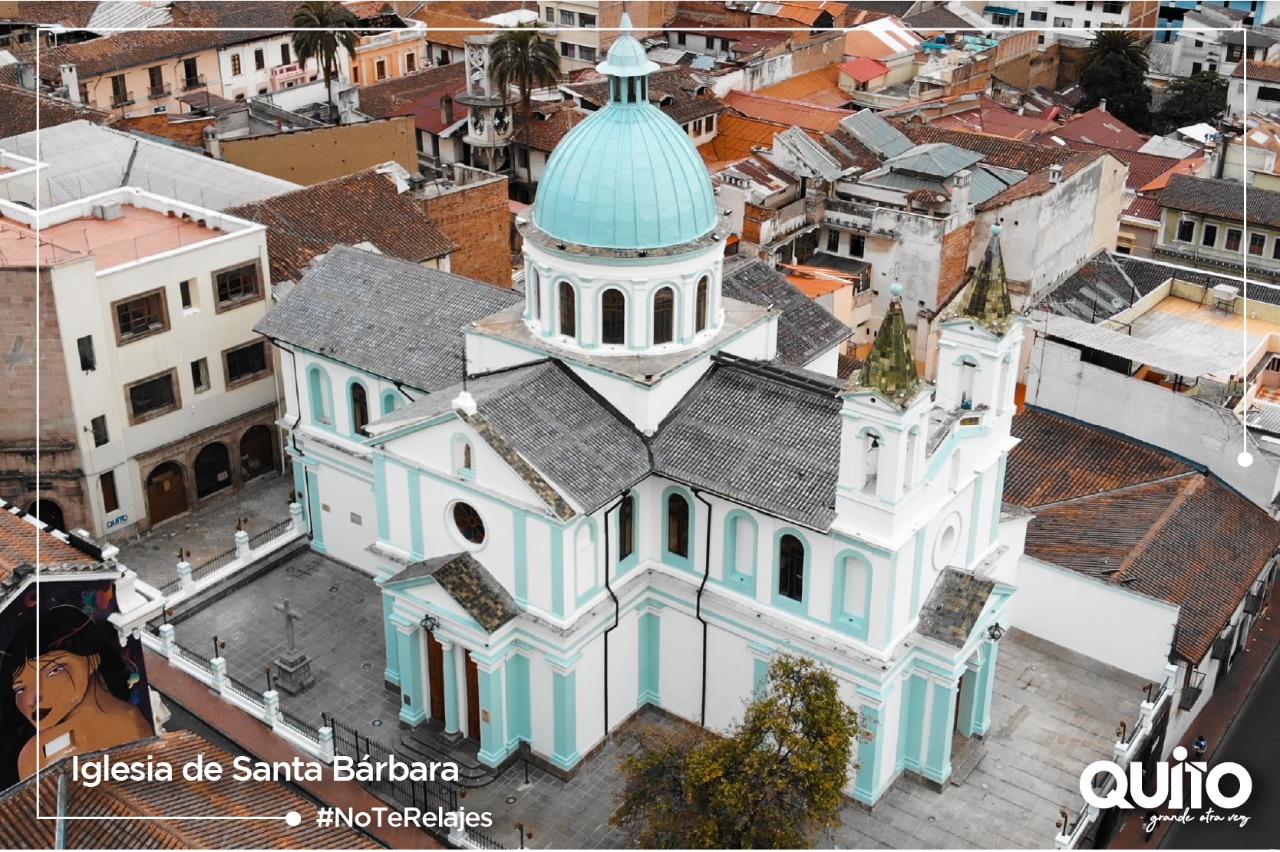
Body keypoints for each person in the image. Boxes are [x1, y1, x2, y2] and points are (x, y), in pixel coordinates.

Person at [1, 606, 153, 781]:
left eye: (54, 670)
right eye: (20, 689)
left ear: (93, 660)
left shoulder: (130, 731)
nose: (32, 698)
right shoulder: (34, 752)